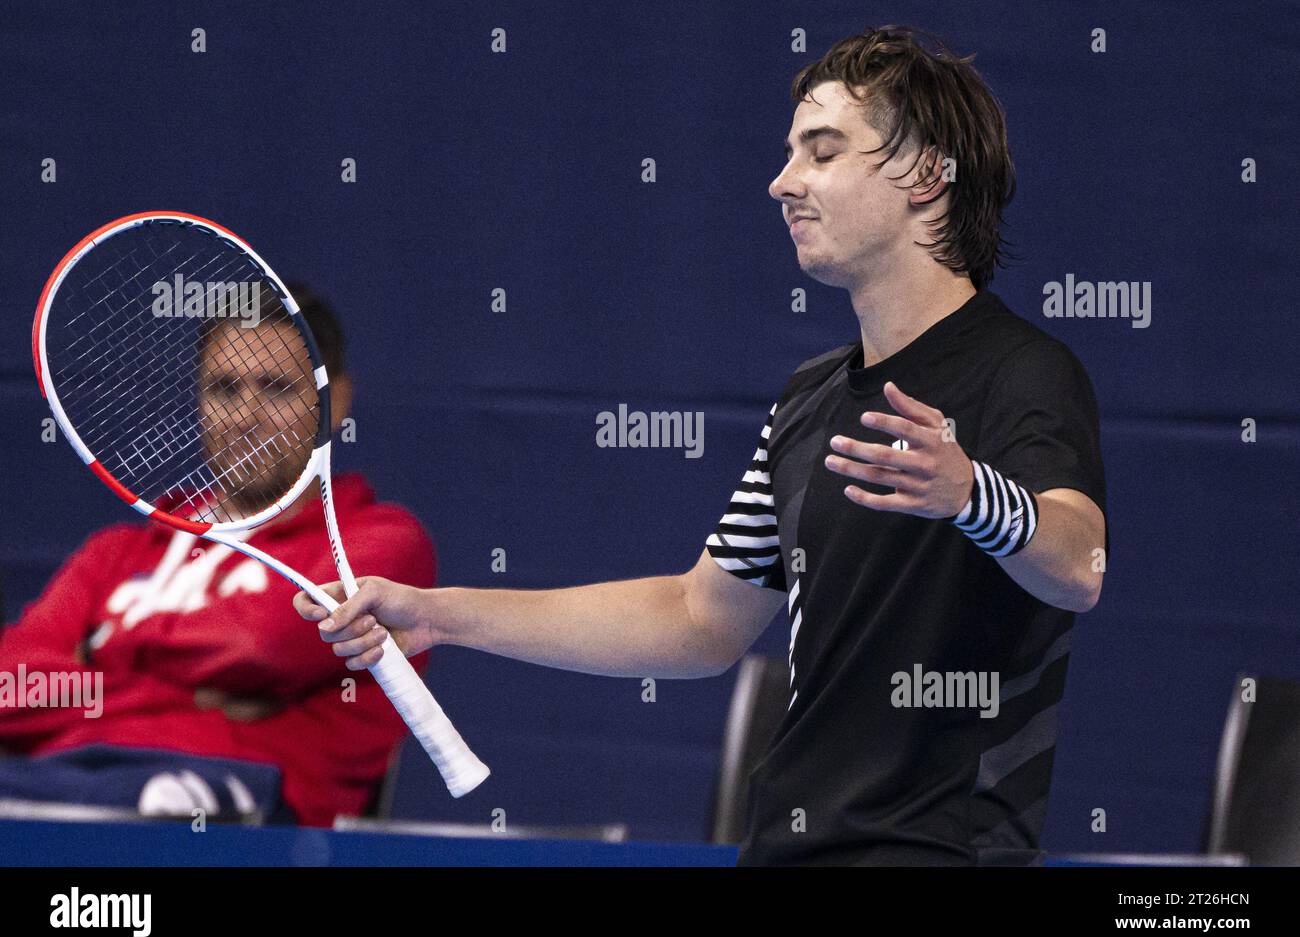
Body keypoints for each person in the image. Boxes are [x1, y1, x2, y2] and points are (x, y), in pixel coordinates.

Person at [297, 25, 1107, 864]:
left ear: (927, 175)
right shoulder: (809, 399)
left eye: (821, 153)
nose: (782, 182)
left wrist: (973, 495)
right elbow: (698, 617)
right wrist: (437, 613)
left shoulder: (1027, 372)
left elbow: (1081, 564)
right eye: (791, 153)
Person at [0, 284, 435, 825]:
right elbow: (10, 685)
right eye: (225, 389)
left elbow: (262, 647)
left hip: (250, 831)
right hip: (62, 789)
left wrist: (103, 654)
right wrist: (186, 695)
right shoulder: (115, 552)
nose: (244, 416)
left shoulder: (379, 543)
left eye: (275, 388)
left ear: (335, 403)